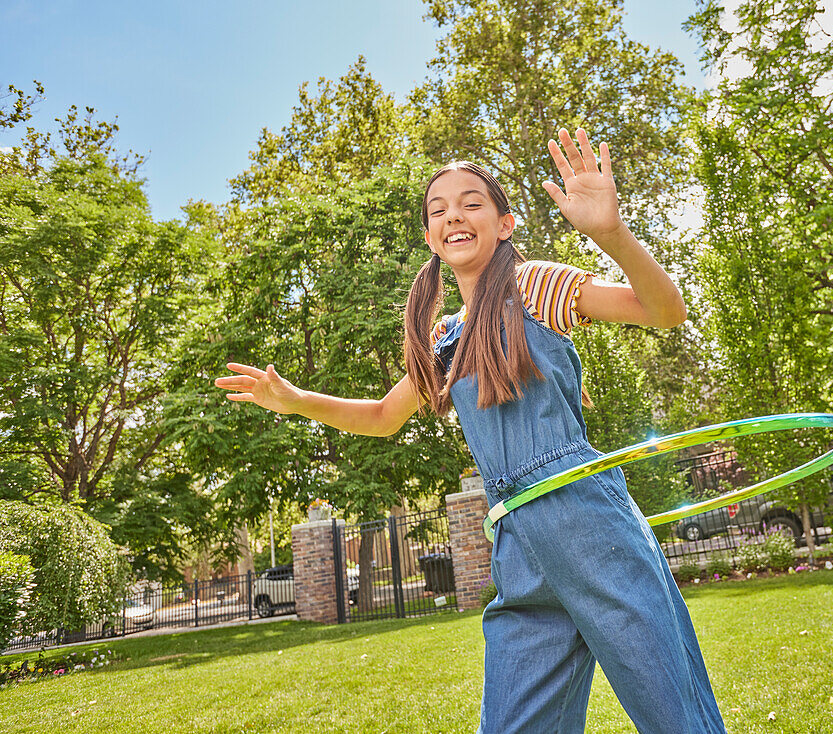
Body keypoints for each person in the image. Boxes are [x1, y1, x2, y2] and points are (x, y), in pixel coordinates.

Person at [214, 128, 726, 733]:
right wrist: (297, 400)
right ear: (431, 238)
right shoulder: (446, 339)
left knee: (674, 717)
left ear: (504, 224)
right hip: (517, 539)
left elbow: (664, 311)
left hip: (587, 520)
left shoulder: (536, 286)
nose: (453, 214)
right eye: (438, 210)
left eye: (471, 202)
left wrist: (610, 234)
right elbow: (383, 417)